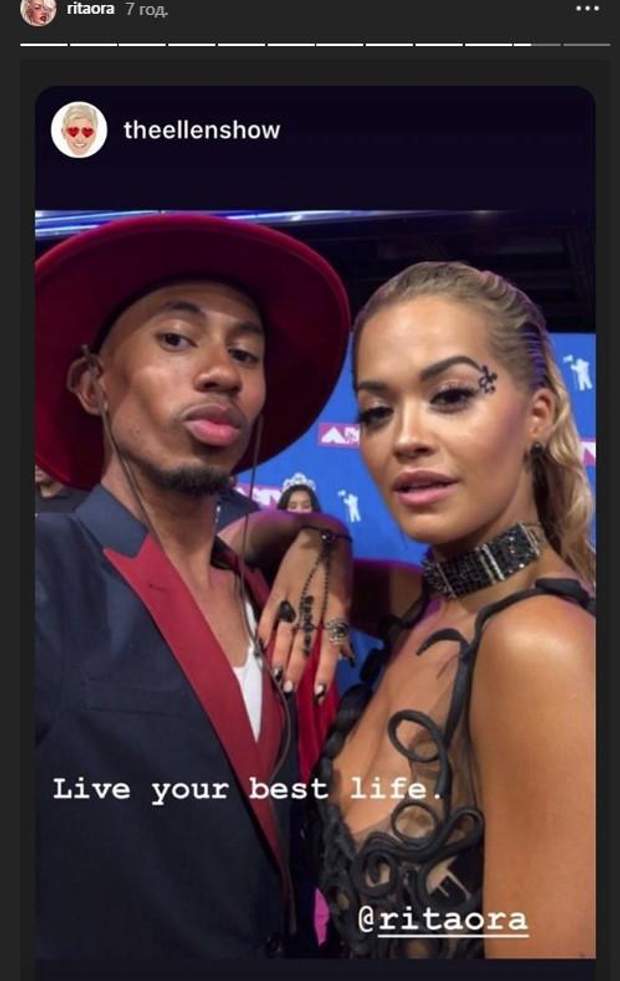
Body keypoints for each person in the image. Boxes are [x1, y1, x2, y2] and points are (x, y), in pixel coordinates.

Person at [246, 261, 595, 959]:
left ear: (538, 414)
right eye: (377, 411)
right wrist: (324, 533)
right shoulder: (429, 604)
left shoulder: (540, 646)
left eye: (451, 395)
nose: (405, 437)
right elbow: (242, 542)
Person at [35, 212, 352, 963]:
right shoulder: (44, 569)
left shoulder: (272, 590)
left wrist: (322, 535)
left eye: (246, 352)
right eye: (177, 339)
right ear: (92, 384)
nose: (222, 372)